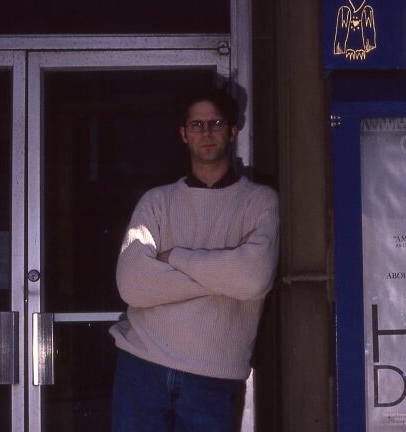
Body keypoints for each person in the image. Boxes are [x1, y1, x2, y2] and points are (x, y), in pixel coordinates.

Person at [109, 86, 279, 432]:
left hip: (214, 376)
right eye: (197, 125)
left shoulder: (260, 203)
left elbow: (253, 279)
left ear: (233, 130)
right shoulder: (156, 202)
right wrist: (225, 270)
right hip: (142, 367)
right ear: (183, 134)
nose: (207, 132)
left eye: (215, 123)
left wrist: (173, 257)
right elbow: (133, 285)